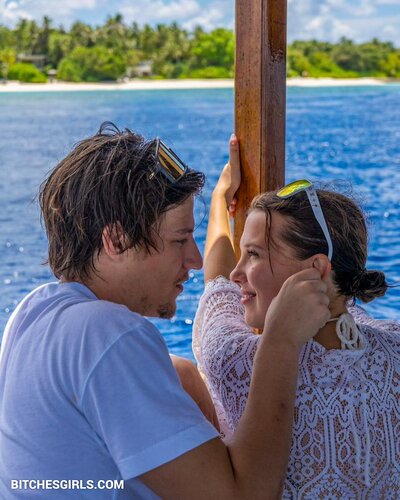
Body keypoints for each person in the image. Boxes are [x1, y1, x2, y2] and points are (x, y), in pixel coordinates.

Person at [0, 123, 331, 499]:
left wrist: (185, 376)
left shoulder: (32, 312)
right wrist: (281, 341)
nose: (194, 259)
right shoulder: (108, 334)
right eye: (179, 239)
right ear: (117, 240)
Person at [193, 134, 400, 497]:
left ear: (316, 269)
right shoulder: (393, 350)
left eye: (254, 254)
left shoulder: (238, 361)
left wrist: (221, 197)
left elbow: (218, 282)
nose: (238, 273)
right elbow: (347, 312)